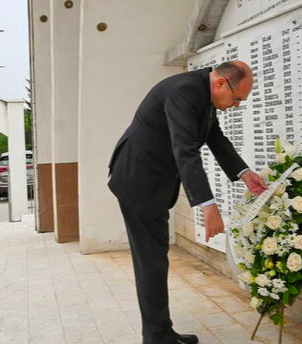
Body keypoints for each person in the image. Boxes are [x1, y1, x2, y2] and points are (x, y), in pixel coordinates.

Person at [107, 61, 267, 344]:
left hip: (152, 178)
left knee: (155, 260)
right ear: (221, 84)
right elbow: (185, 150)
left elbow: (213, 136)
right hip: (139, 179)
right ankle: (156, 337)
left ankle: (160, 331)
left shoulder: (203, 91)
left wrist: (244, 173)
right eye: (237, 99)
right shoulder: (183, 93)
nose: (237, 105)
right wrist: (208, 206)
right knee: (151, 261)